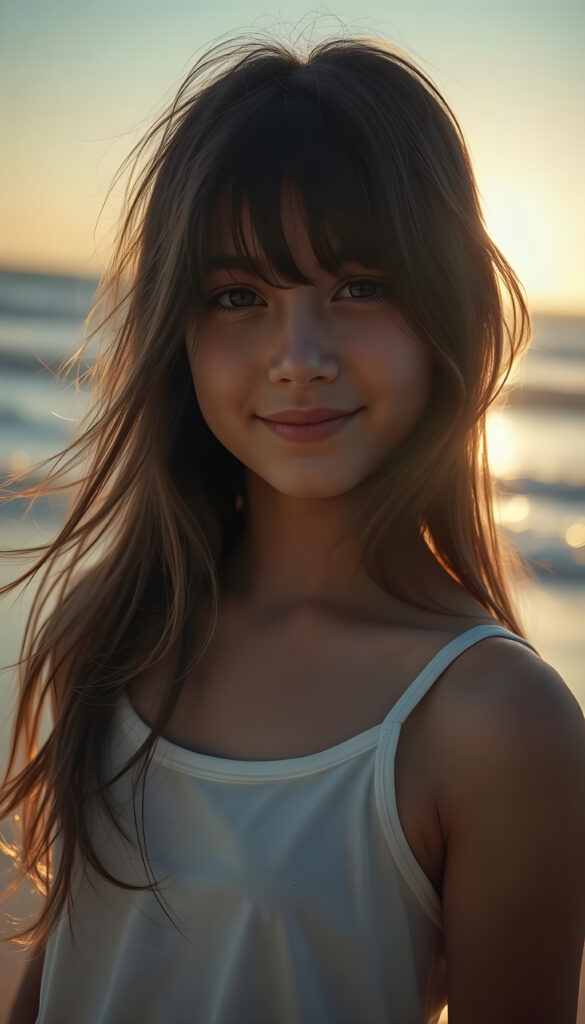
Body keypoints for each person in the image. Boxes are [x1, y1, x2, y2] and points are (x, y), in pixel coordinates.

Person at [2, 27, 585, 1024]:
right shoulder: (128, 625)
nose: (298, 355)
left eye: (361, 287)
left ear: (451, 310)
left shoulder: (496, 723)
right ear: (176, 331)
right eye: (239, 296)